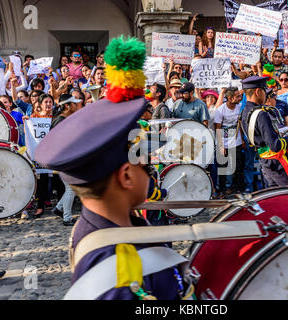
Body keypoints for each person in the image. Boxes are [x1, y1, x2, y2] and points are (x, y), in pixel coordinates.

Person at [34, 36, 190, 300]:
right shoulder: (118, 275)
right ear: (127, 176)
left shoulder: (116, 224)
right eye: (146, 165)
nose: (150, 173)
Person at [240, 76, 288, 187]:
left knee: (276, 199)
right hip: (276, 164)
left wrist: (280, 131)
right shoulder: (261, 114)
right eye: (263, 90)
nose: (265, 95)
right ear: (258, 91)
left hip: (265, 163)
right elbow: (275, 145)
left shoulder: (245, 112)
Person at [51, 94, 82, 226]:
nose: (76, 105)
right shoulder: (60, 121)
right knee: (71, 188)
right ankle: (67, 218)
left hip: (66, 158)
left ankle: (58, 208)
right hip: (64, 159)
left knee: (71, 187)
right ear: (67, 106)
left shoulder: (64, 119)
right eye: (74, 104)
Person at [23, 94, 54, 218]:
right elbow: (29, 135)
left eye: (50, 102)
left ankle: (63, 208)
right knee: (42, 181)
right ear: (40, 105)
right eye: (45, 102)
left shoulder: (56, 118)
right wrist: (27, 122)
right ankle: (40, 207)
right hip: (41, 155)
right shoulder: (33, 118)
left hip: (54, 153)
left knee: (58, 181)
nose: (48, 104)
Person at [214, 87, 245, 195]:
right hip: (223, 140)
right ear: (230, 98)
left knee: (237, 166)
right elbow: (217, 128)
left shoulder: (239, 107)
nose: (239, 98)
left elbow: (239, 124)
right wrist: (221, 146)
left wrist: (242, 140)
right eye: (237, 96)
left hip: (236, 140)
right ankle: (222, 190)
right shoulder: (220, 110)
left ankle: (236, 189)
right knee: (222, 167)